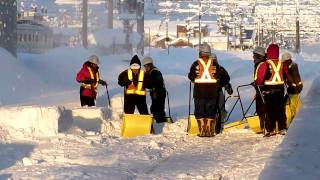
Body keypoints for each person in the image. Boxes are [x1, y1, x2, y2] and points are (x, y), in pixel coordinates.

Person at [188, 43, 233, 137]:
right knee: (210, 111)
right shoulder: (215, 65)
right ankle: (210, 130)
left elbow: (191, 76)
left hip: (199, 92)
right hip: (212, 92)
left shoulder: (196, 64)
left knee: (199, 111)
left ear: (201, 52)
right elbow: (221, 76)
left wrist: (196, 79)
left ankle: (202, 130)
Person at [255, 44, 289, 136]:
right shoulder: (282, 64)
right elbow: (286, 76)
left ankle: (270, 129)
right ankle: (282, 128)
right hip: (280, 90)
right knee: (280, 110)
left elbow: (260, 78)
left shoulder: (266, 64)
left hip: (268, 90)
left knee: (269, 110)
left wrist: (257, 83)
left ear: (268, 52)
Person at [143, 56, 167, 123]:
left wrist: (144, 84)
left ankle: (160, 122)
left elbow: (152, 83)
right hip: (155, 93)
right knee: (154, 108)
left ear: (150, 65)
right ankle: (158, 120)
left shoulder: (155, 72)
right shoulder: (149, 72)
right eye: (144, 66)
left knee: (158, 108)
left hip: (159, 93)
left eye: (147, 66)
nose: (145, 67)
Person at [252, 46, 267, 132]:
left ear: (258, 55)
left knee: (261, 109)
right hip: (260, 89)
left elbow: (261, 78)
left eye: (254, 55)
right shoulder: (260, 63)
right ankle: (264, 126)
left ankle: (264, 127)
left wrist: (256, 84)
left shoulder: (261, 64)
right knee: (261, 109)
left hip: (262, 89)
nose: (253, 57)